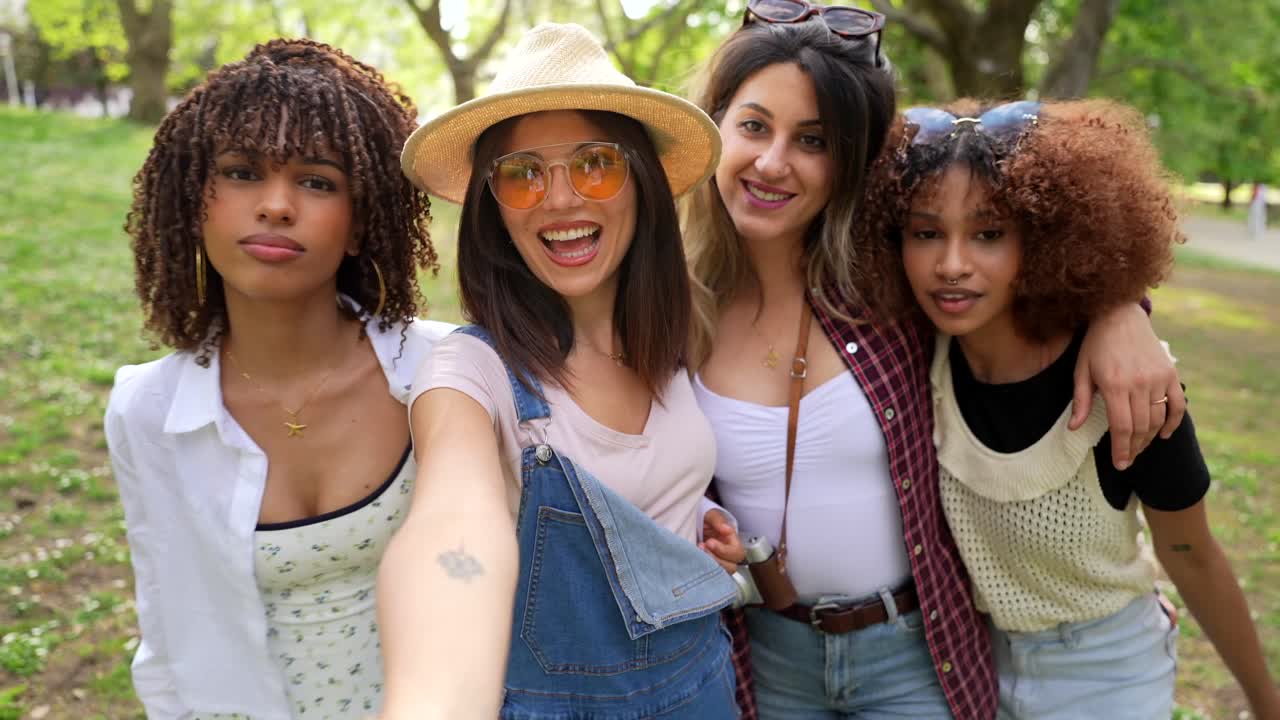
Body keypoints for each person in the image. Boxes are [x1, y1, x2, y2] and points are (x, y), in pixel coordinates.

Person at [683, 5, 1189, 719]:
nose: (772, 162)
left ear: (849, 161)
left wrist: (1120, 308)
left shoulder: (891, 285)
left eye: (813, 140)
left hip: (914, 651)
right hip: (766, 655)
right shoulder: (672, 305)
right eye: (755, 126)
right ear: (715, 126)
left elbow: (1033, 254)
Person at [859, 97, 1280, 719]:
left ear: (1045, 237)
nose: (952, 265)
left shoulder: (1130, 386)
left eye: (988, 234)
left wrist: (1267, 704)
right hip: (969, 668)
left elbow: (1191, 554)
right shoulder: (914, 354)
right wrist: (1123, 306)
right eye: (926, 233)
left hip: (1109, 676)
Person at [377, 23, 742, 720]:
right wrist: (434, 697)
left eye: (595, 163)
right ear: (492, 211)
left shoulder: (670, 340)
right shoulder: (470, 373)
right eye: (522, 174)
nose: (562, 199)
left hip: (707, 688)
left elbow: (640, 481)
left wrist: (692, 527)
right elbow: (453, 527)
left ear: (641, 182)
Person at [104, 39, 453, 719]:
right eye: (241, 173)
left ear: (359, 223)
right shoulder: (145, 411)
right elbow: (166, 626)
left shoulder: (445, 372)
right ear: (194, 205)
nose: (276, 205)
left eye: (317, 181)